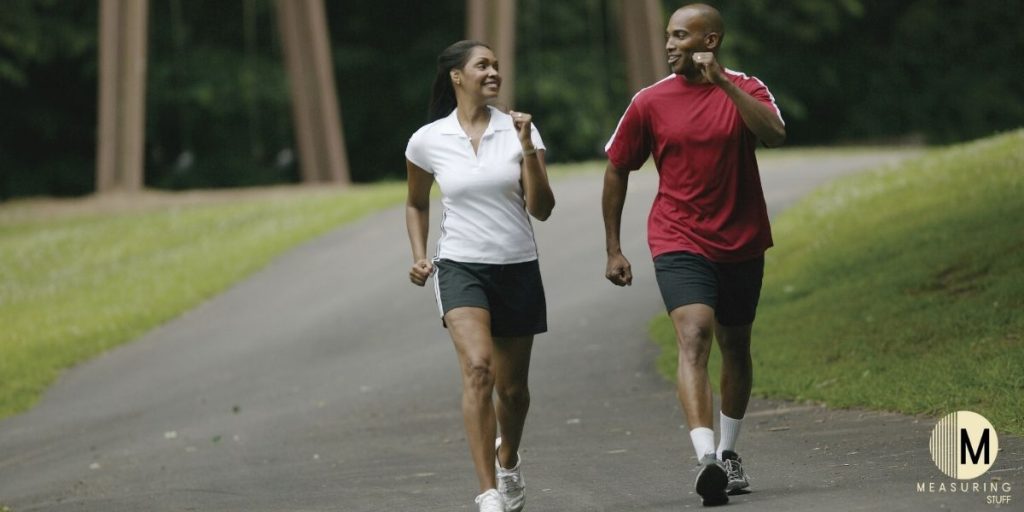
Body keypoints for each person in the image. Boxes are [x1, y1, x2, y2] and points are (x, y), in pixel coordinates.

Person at [601, 3, 785, 507]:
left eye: (681, 36)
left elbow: (773, 133)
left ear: (710, 41)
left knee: (737, 345)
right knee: (694, 333)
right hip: (678, 235)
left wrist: (722, 84)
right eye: (667, 35)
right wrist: (614, 247)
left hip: (742, 238)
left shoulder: (747, 88)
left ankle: (728, 453)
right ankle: (705, 457)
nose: (668, 45)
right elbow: (618, 167)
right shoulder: (649, 102)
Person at [405, 40, 555, 512]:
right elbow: (416, 201)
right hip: (460, 266)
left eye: (496, 65)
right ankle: (488, 490)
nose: (493, 72)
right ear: (456, 76)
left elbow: (543, 209)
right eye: (482, 65)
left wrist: (528, 146)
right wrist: (419, 253)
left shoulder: (518, 132)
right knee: (478, 370)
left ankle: (507, 458)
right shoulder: (428, 139)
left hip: (516, 267)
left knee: (512, 391)